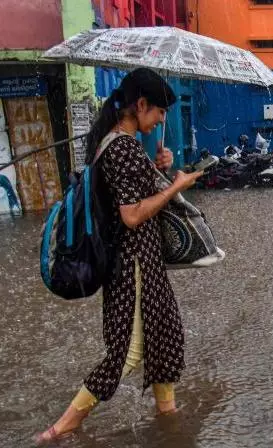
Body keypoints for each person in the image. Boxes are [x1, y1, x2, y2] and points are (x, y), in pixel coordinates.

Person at [35, 68, 203, 443]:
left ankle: (168, 416)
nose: (162, 119)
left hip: (145, 262)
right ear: (140, 105)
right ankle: (62, 428)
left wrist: (159, 169)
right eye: (159, 111)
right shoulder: (122, 146)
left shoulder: (118, 144)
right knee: (124, 354)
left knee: (166, 336)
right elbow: (131, 214)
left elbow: (132, 195)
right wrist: (177, 184)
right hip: (134, 265)